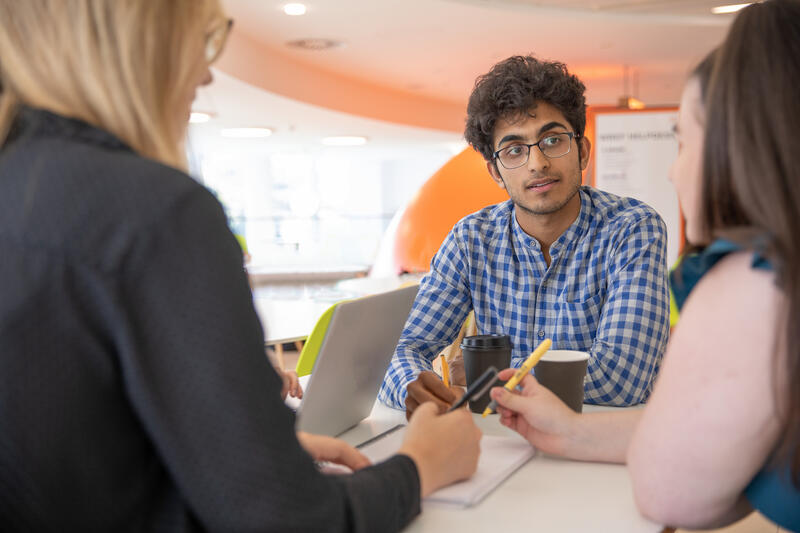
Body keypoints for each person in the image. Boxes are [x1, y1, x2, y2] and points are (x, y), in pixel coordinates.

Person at [0, 1, 481, 531]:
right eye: (201, 42)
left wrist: (252, 453)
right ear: (142, 44)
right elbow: (292, 521)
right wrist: (421, 466)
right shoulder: (156, 212)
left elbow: (75, 451)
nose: (206, 74)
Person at [489, 1, 800, 530]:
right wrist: (566, 428)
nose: (677, 173)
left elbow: (668, 493)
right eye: (515, 151)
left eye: (684, 140)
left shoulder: (752, 279)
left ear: (735, 146)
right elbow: (700, 431)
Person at [380, 54, 670, 414]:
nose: (537, 163)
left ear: (581, 152)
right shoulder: (471, 240)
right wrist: (412, 387)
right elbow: (401, 348)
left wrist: (482, 376)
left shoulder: (631, 229)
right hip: (495, 444)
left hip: (595, 451)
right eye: (514, 150)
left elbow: (622, 379)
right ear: (496, 173)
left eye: (552, 140)